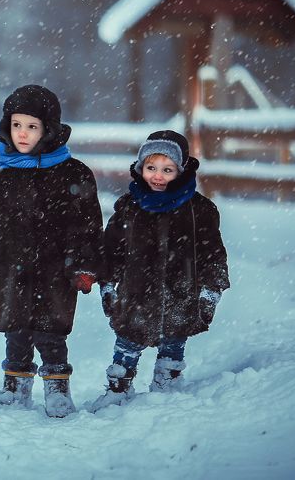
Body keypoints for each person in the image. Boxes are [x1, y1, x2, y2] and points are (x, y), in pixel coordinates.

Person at [0, 85, 103, 417]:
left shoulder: (72, 174)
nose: (22, 134)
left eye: (32, 126)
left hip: (55, 269)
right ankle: (16, 385)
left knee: (51, 329)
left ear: (48, 129)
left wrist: (82, 265)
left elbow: (86, 226)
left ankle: (57, 386)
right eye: (16, 125)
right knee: (16, 328)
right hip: (11, 266)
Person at [89, 130, 229, 412]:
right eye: (151, 168)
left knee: (174, 342)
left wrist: (211, 291)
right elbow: (111, 250)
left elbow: (213, 254)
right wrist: (107, 284)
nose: (157, 176)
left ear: (181, 170)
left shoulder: (198, 210)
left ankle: (167, 385)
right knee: (127, 342)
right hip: (136, 293)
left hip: (181, 293)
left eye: (167, 169)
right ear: (141, 168)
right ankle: (118, 388)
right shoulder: (130, 207)